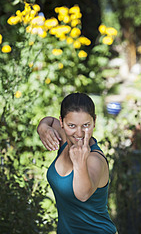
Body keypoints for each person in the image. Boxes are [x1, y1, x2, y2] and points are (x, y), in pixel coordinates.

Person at [37, 92, 117, 234]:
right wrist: (42, 127)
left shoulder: (95, 159)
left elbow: (83, 195)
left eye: (86, 125)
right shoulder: (65, 139)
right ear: (62, 123)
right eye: (72, 125)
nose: (79, 134)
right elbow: (49, 120)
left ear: (94, 122)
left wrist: (79, 164)